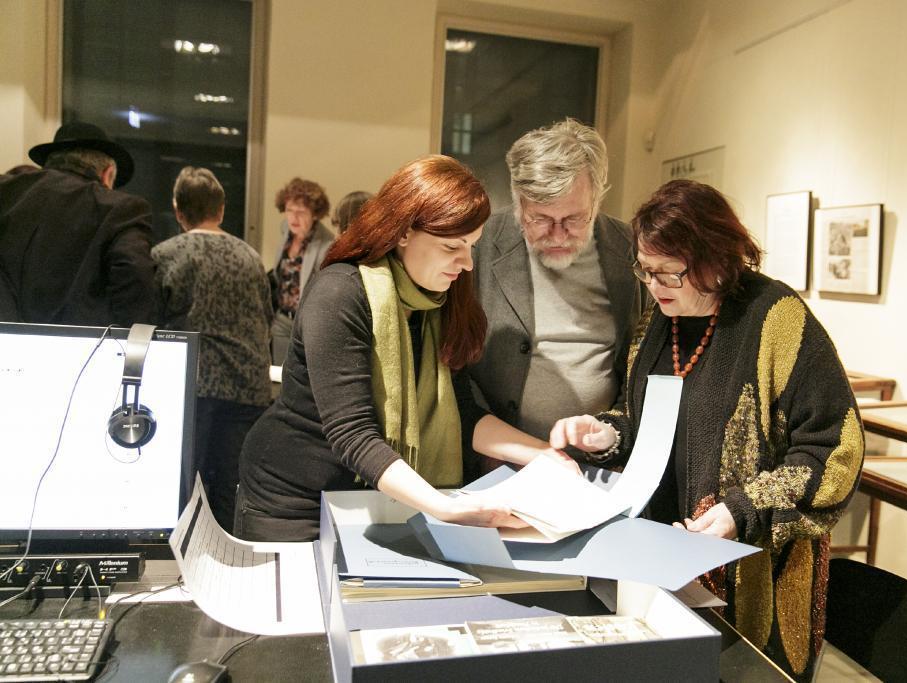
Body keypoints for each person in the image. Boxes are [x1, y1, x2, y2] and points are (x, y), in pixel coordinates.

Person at [549, 180, 864, 681]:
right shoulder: (663, 318)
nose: (654, 286)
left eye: (668, 273)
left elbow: (833, 450)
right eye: (645, 271)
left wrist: (741, 510)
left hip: (756, 576)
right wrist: (607, 435)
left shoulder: (776, 320)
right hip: (666, 564)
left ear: (716, 259)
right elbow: (648, 422)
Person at [235, 155, 573, 542]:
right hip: (295, 499)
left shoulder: (437, 301)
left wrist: (544, 454)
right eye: (451, 247)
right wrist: (442, 506)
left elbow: (461, 412)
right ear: (403, 233)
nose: (465, 263)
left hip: (382, 497)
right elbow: (353, 433)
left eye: (471, 247)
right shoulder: (341, 292)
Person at [467, 119, 645, 467]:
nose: (559, 234)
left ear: (597, 197)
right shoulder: (480, 244)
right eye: (541, 219)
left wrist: (613, 435)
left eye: (575, 219)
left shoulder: (629, 250)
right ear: (518, 201)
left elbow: (639, 363)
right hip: (494, 460)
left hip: (596, 465)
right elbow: (453, 362)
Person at [152, 167, 273, 530]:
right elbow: (267, 317)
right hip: (248, 386)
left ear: (178, 211)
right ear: (220, 210)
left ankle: (180, 564)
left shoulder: (166, 254)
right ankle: (228, 564)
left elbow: (152, 320)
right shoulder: (250, 257)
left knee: (185, 485)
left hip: (192, 387)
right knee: (231, 489)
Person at [0, 122, 157, 325]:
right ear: (107, 174)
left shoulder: (7, 192)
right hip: (82, 349)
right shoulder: (122, 209)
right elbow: (135, 278)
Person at [268, 177, 334, 364]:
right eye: (289, 210)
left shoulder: (326, 244)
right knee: (279, 378)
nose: (293, 218)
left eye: (301, 212)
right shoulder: (285, 231)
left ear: (315, 214)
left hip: (308, 324)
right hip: (281, 320)